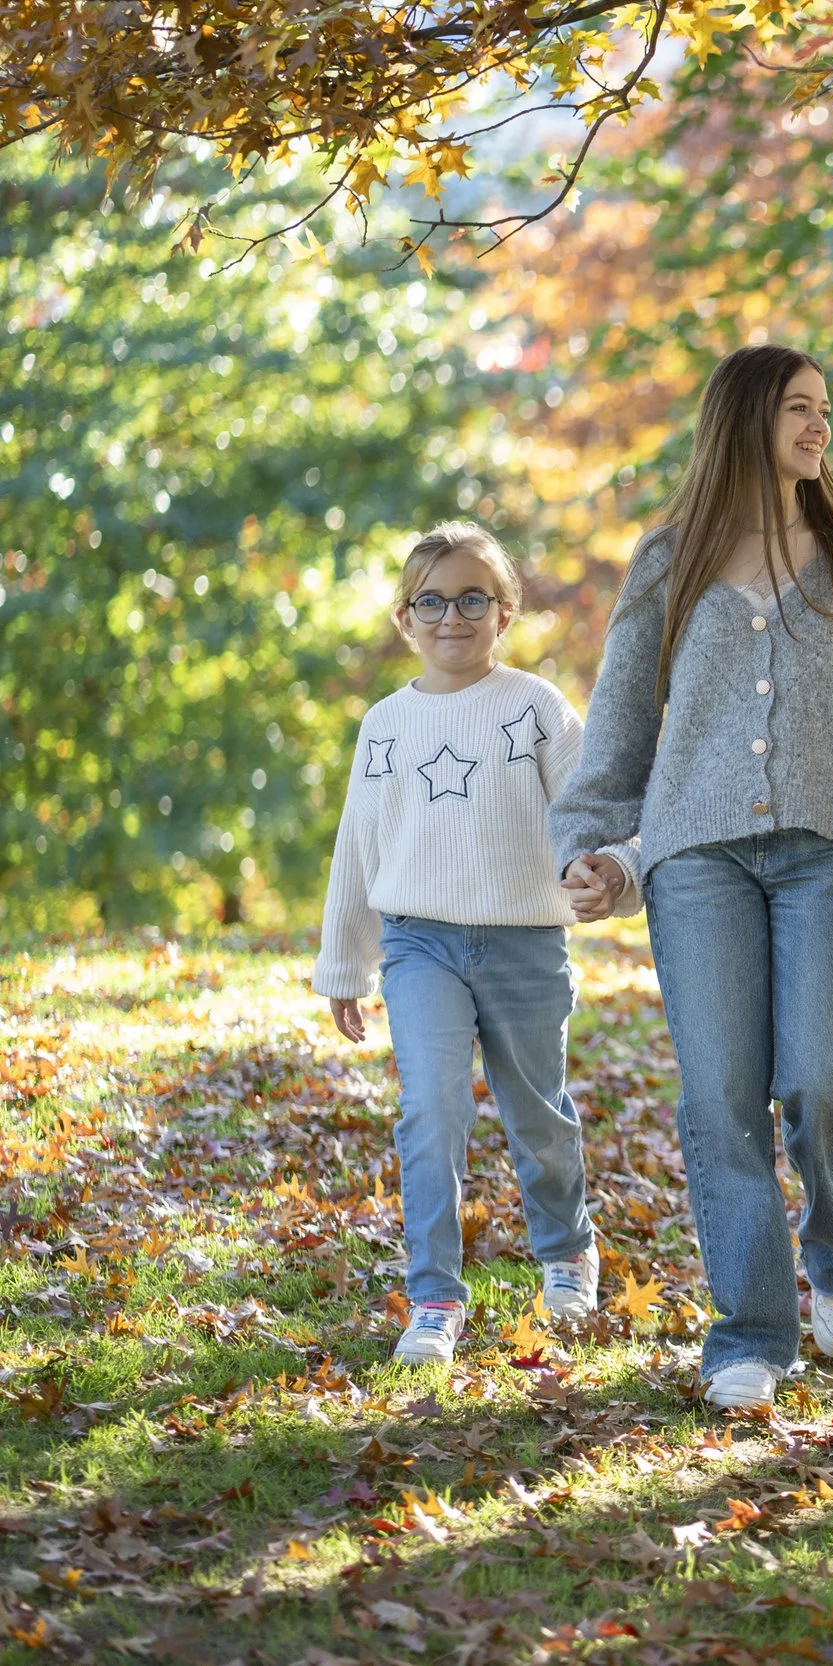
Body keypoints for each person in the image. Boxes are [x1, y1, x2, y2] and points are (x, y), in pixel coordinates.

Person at [551, 344, 833, 1413]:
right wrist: (590, 840)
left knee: (824, 1071)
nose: (820, 426)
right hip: (695, 861)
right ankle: (748, 1331)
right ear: (744, 419)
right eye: (797, 408)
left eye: (827, 408)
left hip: (824, 851)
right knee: (720, 1097)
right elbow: (622, 722)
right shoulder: (668, 560)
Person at [313, 522, 607, 1367]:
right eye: (432, 601)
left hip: (525, 944)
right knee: (430, 1112)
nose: (453, 616)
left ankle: (565, 1252)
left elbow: (592, 809)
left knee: (536, 1114)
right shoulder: (385, 724)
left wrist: (604, 870)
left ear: (505, 611)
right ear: (406, 618)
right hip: (419, 945)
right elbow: (359, 844)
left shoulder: (537, 708)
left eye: (473, 598)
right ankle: (435, 1295)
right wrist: (346, 963)